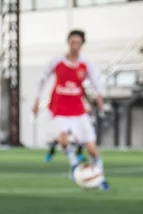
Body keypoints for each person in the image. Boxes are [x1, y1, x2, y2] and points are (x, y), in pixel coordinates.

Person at [32, 30, 110, 191]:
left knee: (91, 148)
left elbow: (96, 81)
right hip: (59, 108)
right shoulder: (57, 62)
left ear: (82, 45)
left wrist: (100, 98)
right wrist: (37, 100)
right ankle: (74, 164)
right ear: (68, 43)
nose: (75, 46)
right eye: (72, 42)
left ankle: (99, 176)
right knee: (63, 139)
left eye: (78, 43)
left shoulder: (85, 64)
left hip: (78, 110)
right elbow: (43, 79)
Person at [44, 88, 87, 163]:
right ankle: (49, 155)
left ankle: (79, 155)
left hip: (73, 122)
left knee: (80, 139)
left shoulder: (75, 101)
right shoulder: (60, 101)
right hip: (64, 122)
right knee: (57, 139)